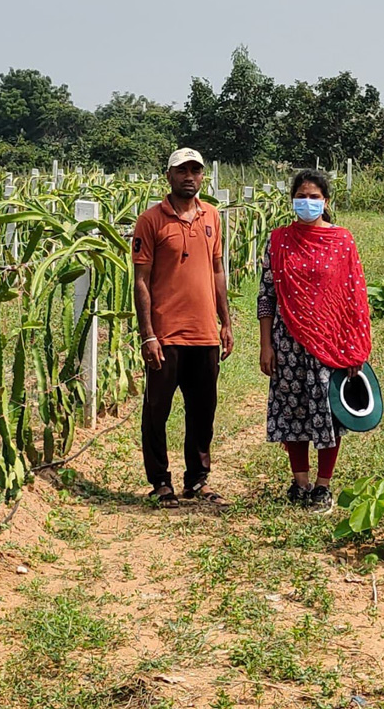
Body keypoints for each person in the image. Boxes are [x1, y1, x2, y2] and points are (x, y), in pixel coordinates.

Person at [258, 169, 372, 513]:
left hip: (330, 343)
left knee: (327, 412)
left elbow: (354, 297)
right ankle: (300, 482)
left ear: (326, 201)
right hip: (287, 343)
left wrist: (356, 347)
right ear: (292, 199)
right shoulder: (278, 240)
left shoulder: (342, 241)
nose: (307, 202)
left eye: (314, 197)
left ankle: (323, 486)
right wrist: (266, 344)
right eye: (301, 196)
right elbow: (267, 296)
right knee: (293, 411)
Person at [133, 148, 233, 508]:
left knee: (203, 409)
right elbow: (141, 280)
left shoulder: (212, 216)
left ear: (202, 176)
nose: (189, 176)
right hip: (166, 334)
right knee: (157, 410)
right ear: (169, 175)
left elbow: (218, 270)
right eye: (181, 170)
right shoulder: (150, 221)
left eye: (195, 170)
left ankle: (198, 480)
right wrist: (148, 333)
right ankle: (160, 482)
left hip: (205, 331)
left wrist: (226, 322)